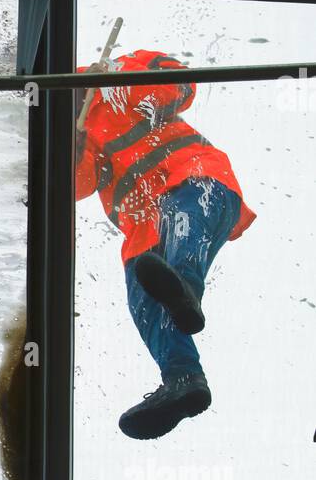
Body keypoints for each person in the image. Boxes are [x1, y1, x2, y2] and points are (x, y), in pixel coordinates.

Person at [75, 48, 256, 439]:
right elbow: (76, 187)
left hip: (195, 176)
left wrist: (119, 81)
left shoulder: (120, 74)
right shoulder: (77, 129)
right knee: (144, 295)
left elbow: (182, 84)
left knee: (182, 231)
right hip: (144, 230)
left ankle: (185, 290)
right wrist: (68, 144)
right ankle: (182, 380)